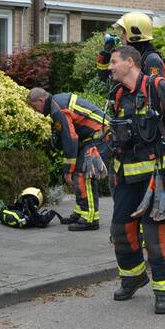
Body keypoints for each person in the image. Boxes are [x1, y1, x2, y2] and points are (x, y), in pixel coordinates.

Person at [106, 46, 165, 315]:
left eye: (114, 62)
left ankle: (163, 289)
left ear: (131, 62)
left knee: (155, 233)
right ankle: (133, 277)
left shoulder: (159, 88)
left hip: (157, 177)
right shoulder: (118, 94)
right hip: (126, 177)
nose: (110, 67)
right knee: (120, 230)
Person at [26, 88, 109, 231]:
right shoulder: (56, 103)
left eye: (35, 107)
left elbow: (70, 138)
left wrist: (67, 170)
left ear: (41, 100)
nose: (36, 111)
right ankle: (80, 212)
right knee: (79, 173)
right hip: (93, 138)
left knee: (83, 174)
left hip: (101, 137)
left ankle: (90, 219)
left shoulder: (58, 109)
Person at [95, 11, 165, 84]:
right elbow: (107, 80)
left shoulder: (152, 61)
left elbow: (154, 94)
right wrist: (106, 53)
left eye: (124, 31)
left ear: (135, 34)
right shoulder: (131, 56)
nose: (121, 35)